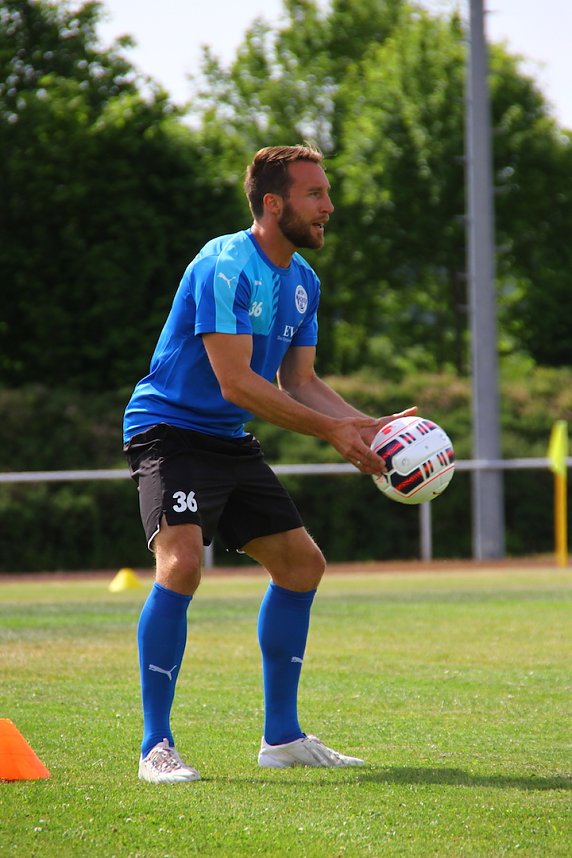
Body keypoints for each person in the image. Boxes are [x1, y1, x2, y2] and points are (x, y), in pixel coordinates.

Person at [123, 143, 416, 783]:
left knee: (301, 562)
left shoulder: (303, 282)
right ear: (273, 203)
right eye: (315, 195)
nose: (328, 208)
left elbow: (300, 382)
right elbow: (236, 383)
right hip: (169, 431)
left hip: (227, 437)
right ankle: (155, 746)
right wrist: (333, 432)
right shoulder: (226, 264)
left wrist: (368, 427)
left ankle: (281, 738)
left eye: (326, 194)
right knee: (182, 564)